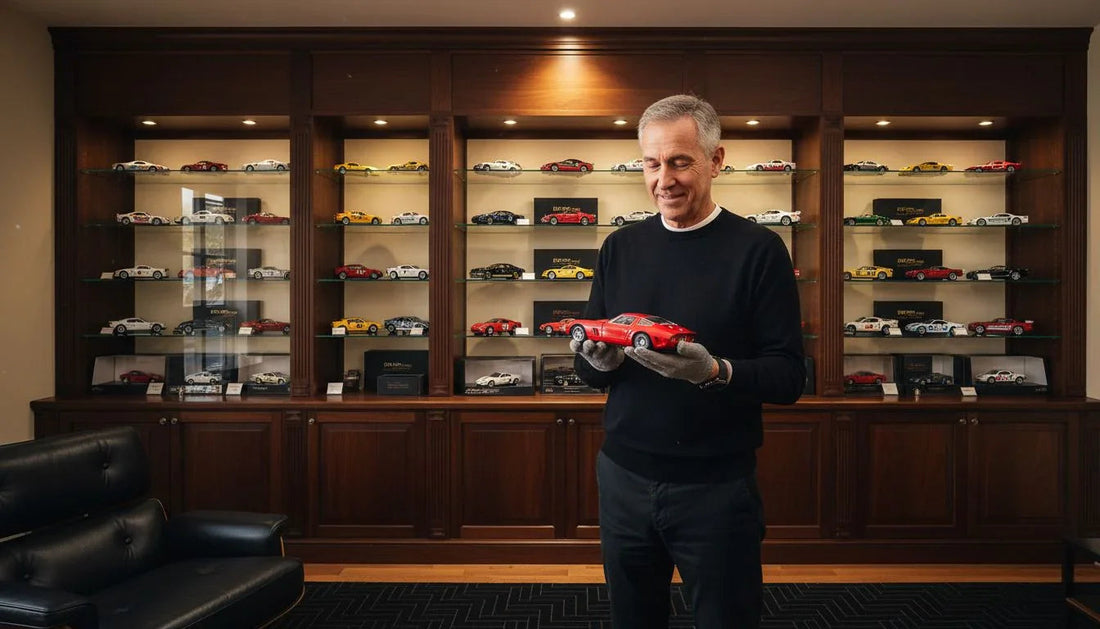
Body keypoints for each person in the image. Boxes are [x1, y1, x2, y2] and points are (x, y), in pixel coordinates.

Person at [570, 94, 805, 628]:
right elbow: (590, 367)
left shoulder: (759, 250)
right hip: (623, 476)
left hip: (716, 488)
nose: (663, 180)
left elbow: (790, 375)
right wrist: (599, 364)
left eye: (680, 162)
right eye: (651, 164)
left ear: (716, 160)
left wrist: (715, 372)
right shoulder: (620, 246)